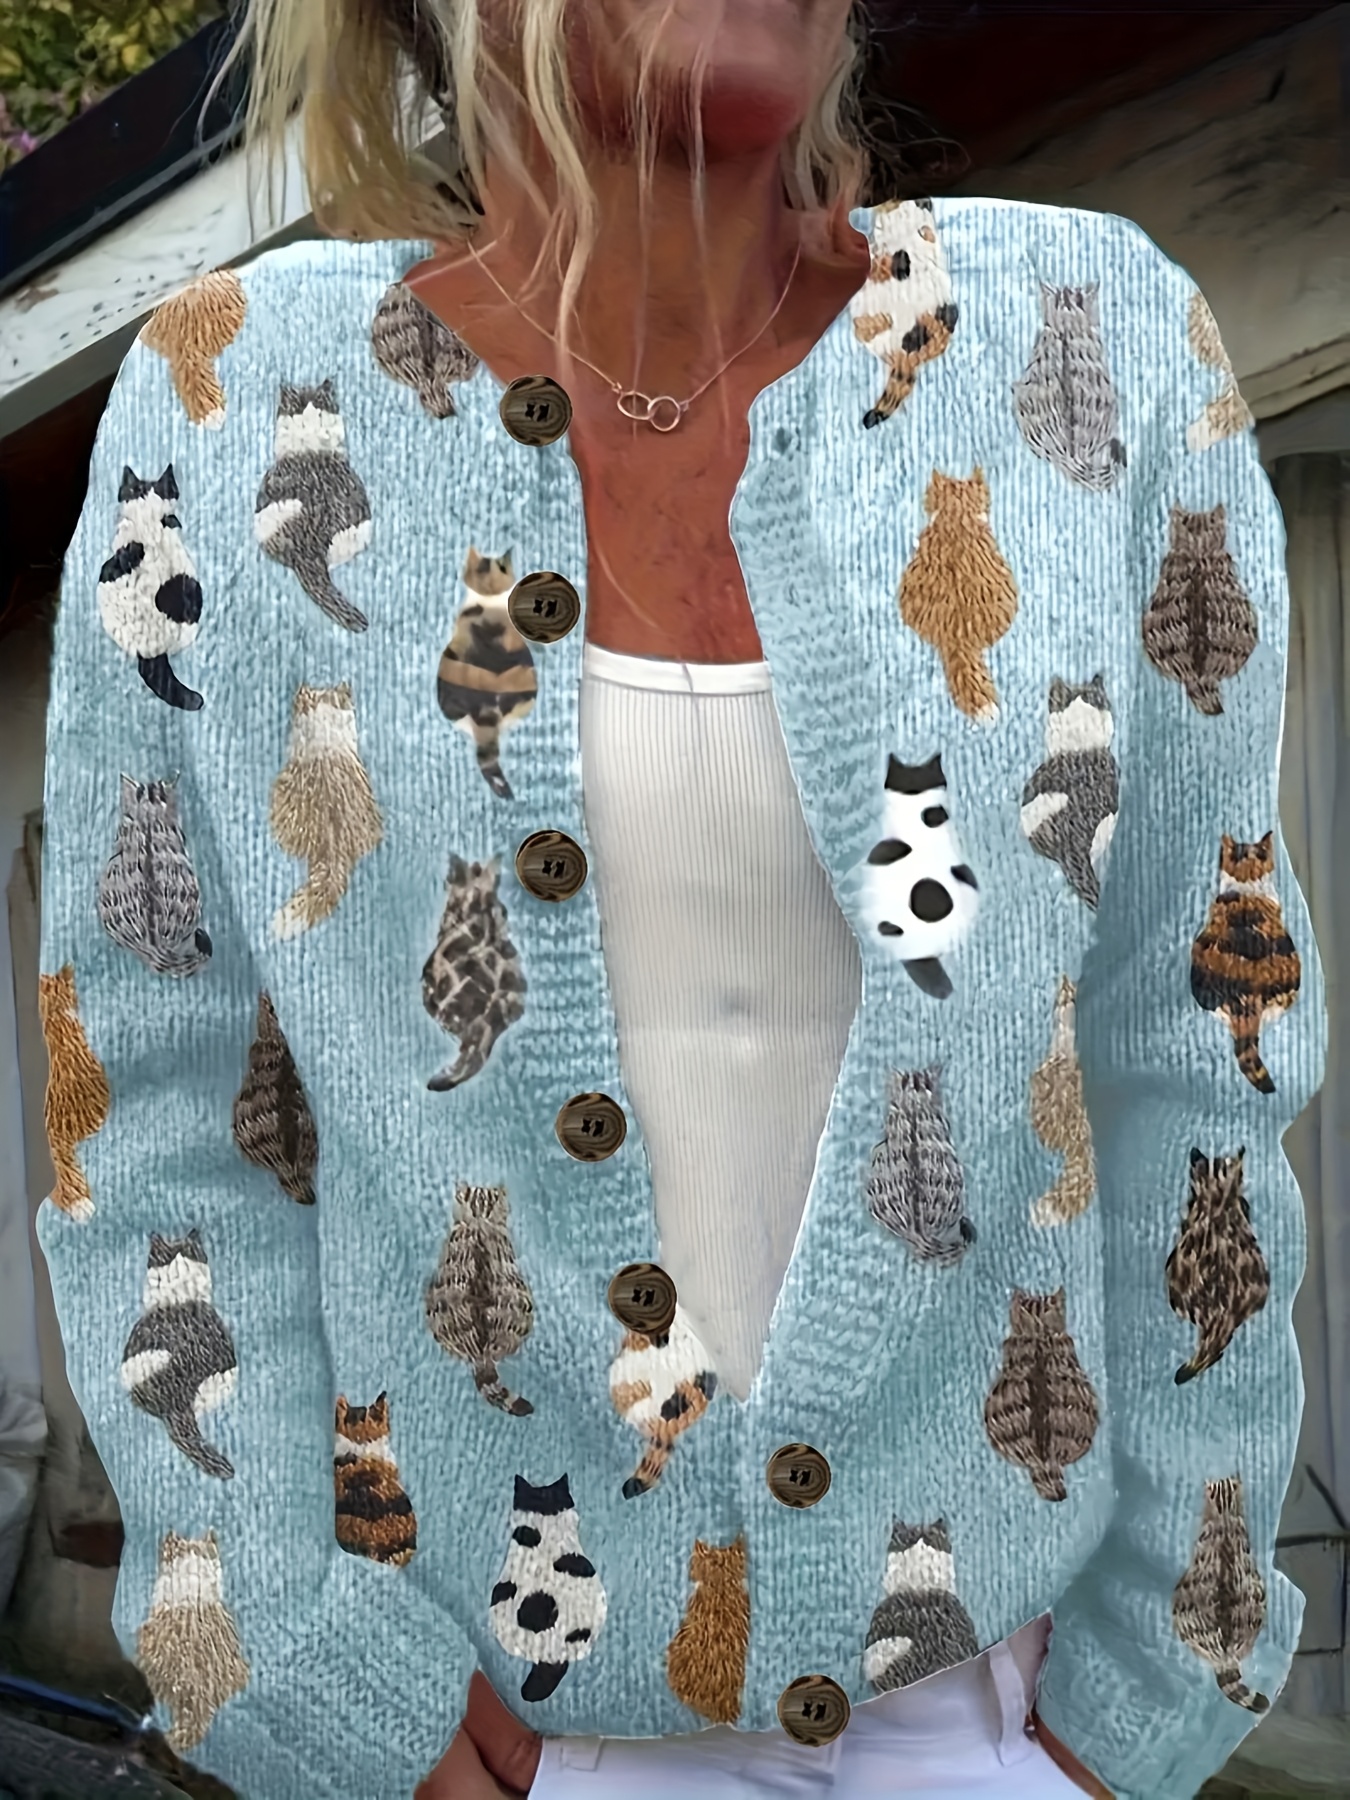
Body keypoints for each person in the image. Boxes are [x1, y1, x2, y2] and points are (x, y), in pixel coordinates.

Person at [36, 1, 1323, 1797]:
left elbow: (1197, 1042)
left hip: (991, 1720)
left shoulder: (1085, 339)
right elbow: (153, 1106)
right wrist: (278, 1659)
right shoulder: (230, 393)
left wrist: (1153, 1686)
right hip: (486, 1727)